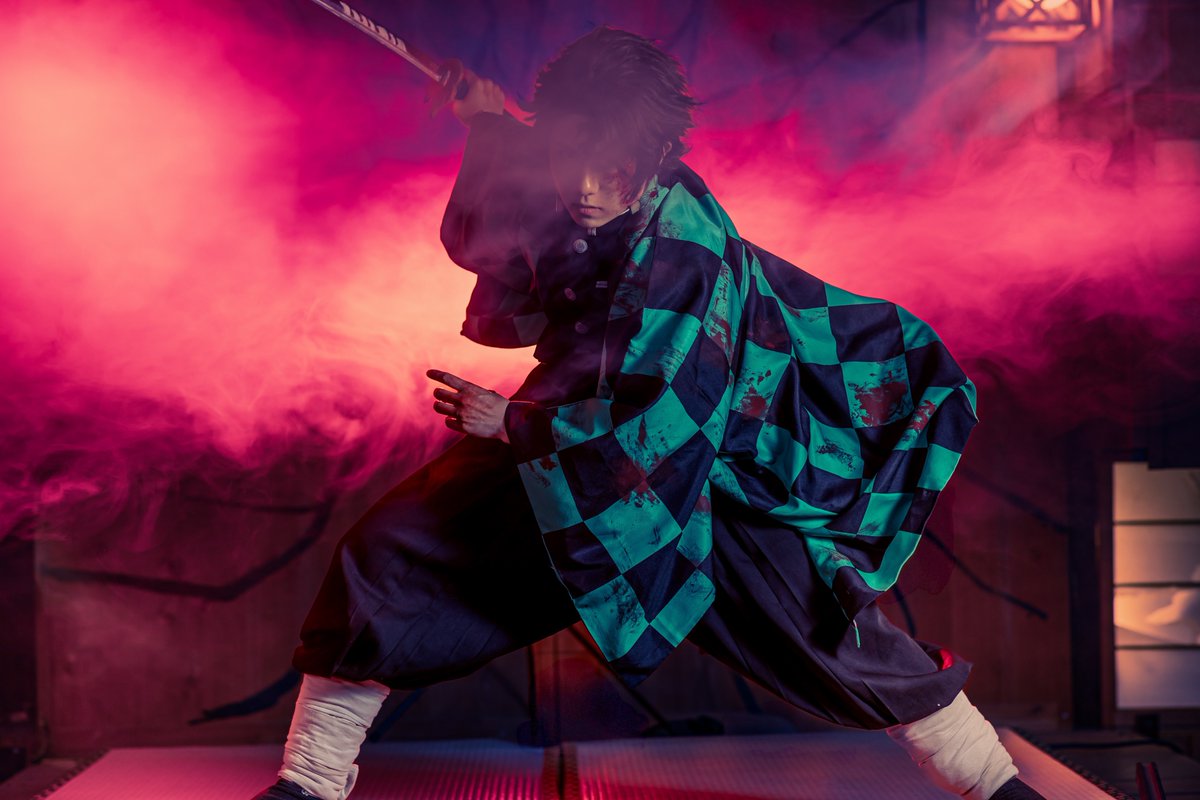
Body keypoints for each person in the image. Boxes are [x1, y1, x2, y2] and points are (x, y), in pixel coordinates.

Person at [254, 27, 1045, 800]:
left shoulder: (685, 251)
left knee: (831, 637)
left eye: (613, 169)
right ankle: (310, 781)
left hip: (701, 471)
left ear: (656, 156)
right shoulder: (569, 173)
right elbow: (499, 223)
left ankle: (996, 786)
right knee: (393, 554)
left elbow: (667, 419)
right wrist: (486, 122)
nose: (586, 188)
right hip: (568, 443)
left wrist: (513, 426)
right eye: (569, 156)